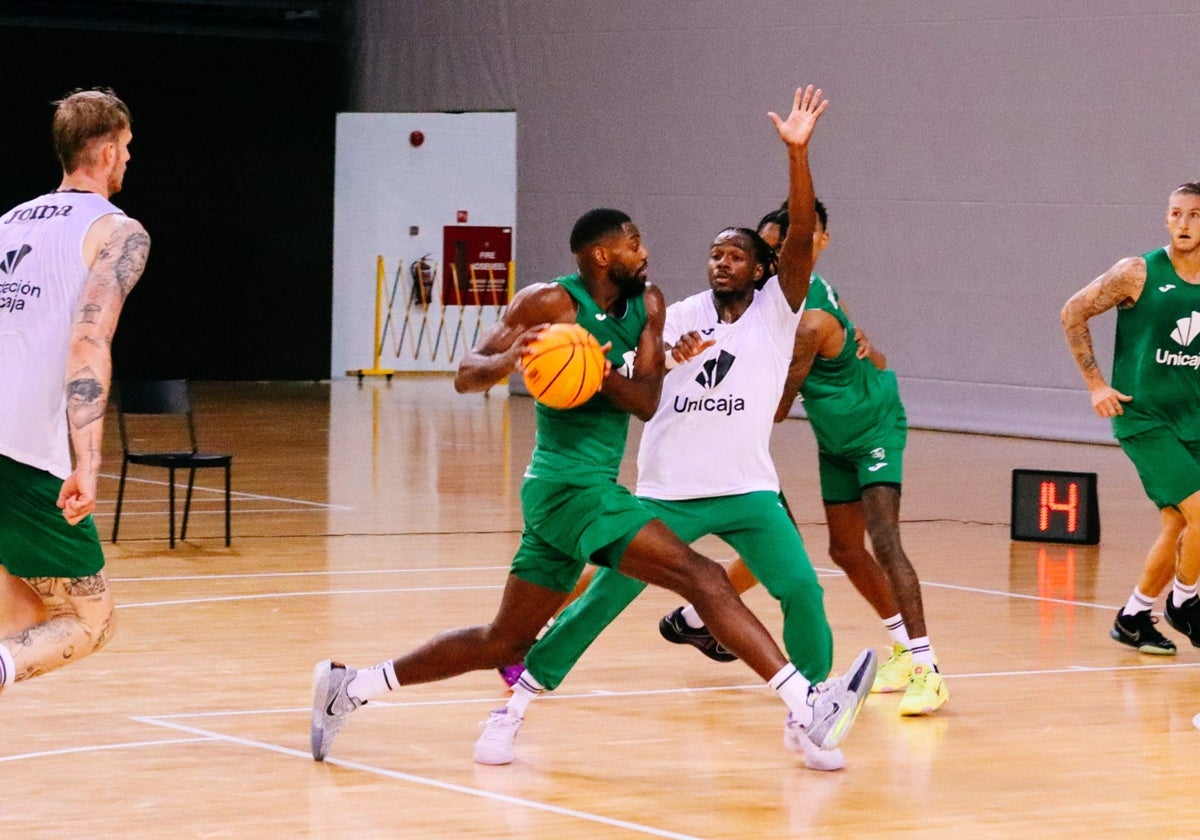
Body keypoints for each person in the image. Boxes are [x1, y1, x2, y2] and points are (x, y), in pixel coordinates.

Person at [310, 85, 876, 768]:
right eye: (635, 241)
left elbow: (639, 401)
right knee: (704, 581)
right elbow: (466, 370)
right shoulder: (552, 301)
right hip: (573, 488)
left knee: (503, 641)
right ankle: (809, 705)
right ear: (604, 254)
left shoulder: (650, 308)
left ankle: (352, 685)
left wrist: (613, 367)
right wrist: (513, 363)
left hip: (598, 493)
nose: (648, 250)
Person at [656, 199, 948, 716]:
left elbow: (775, 409)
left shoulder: (803, 322)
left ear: (818, 244)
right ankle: (900, 647)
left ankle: (928, 668)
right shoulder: (786, 295)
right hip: (834, 435)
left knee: (882, 540)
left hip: (873, 427)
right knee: (842, 551)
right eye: (772, 247)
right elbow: (862, 344)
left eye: (793, 245)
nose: (781, 255)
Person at [0, 87, 149, 691]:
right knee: (89, 622)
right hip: (25, 450)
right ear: (110, 151)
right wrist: (87, 462)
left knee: (21, 612)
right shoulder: (118, 232)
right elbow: (89, 340)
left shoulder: (6, 222)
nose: (130, 160)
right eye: (129, 148)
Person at [1061, 181, 1200, 655]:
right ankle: (1185, 602)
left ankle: (1134, 617)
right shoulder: (1137, 272)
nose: (1183, 223)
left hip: (1193, 420)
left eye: (1194, 215)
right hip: (1144, 419)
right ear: (1166, 218)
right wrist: (1096, 385)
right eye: (1176, 214)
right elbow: (1072, 312)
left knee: (1177, 524)